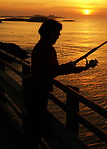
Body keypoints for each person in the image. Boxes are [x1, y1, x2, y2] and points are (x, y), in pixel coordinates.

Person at [23, 19, 90, 149]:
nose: (58, 36)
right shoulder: (46, 49)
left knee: (32, 125)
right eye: (56, 33)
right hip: (37, 92)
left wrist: (76, 68)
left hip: (33, 90)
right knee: (34, 128)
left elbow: (52, 70)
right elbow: (52, 71)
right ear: (49, 33)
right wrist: (71, 67)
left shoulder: (42, 46)